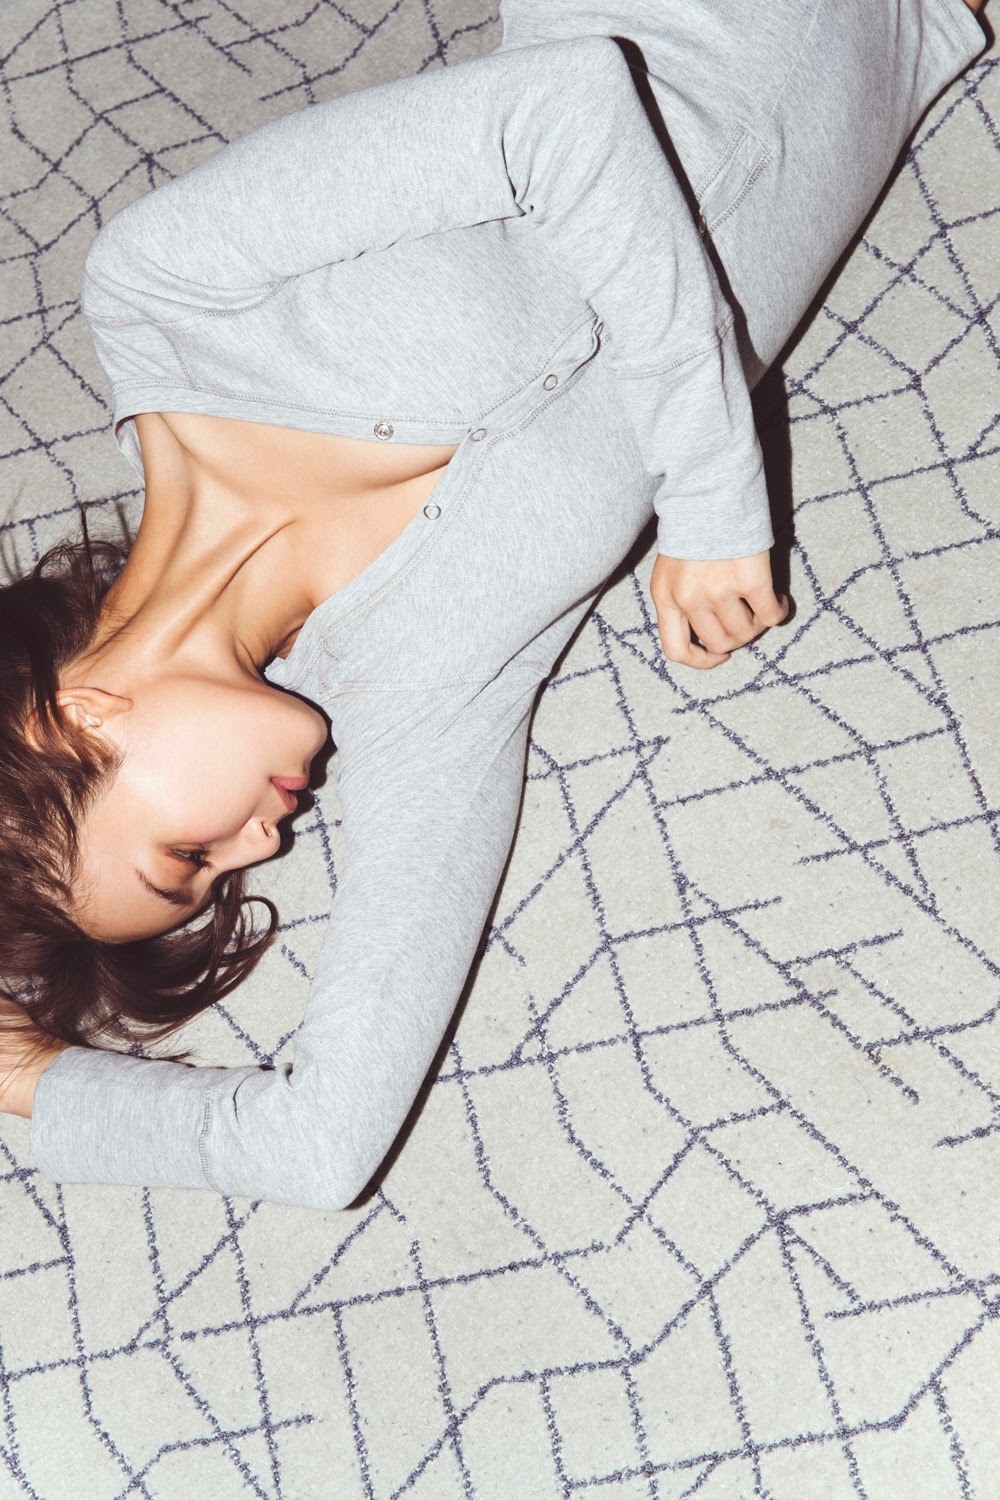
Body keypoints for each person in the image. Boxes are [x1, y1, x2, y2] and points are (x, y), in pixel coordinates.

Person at [0, 0, 986, 1209]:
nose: (261, 849)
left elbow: (561, 110)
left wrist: (713, 500)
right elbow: (320, 1145)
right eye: (218, 877)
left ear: (74, 720)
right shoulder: (419, 689)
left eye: (185, 856)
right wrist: (20, 1070)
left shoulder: (167, 300)